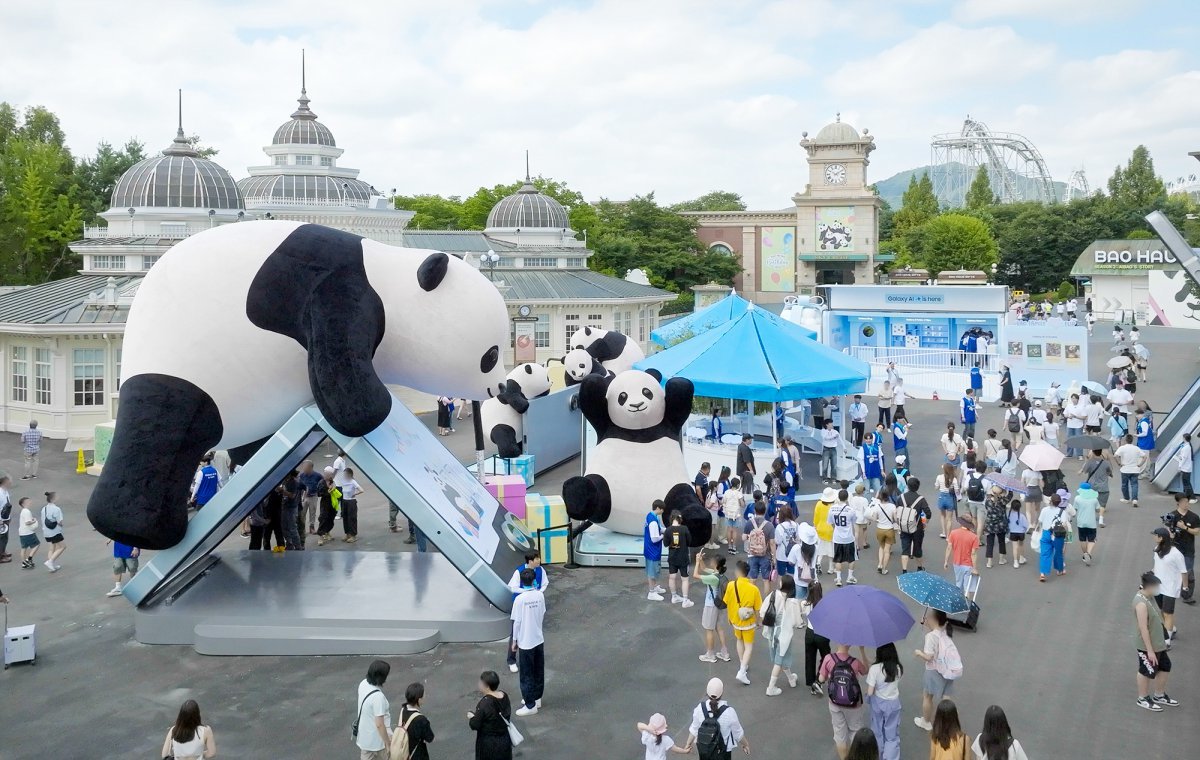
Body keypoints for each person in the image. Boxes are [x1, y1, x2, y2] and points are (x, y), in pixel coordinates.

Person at [1132, 572, 1178, 712]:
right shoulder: (1141, 603)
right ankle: (1143, 698)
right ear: (1149, 586)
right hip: (1148, 645)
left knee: (1165, 666)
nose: (1158, 589)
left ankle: (1159, 695)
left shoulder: (1149, 596)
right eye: (1156, 586)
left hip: (1158, 643)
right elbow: (1143, 628)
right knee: (1146, 670)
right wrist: (1149, 651)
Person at [818, 641, 868, 760]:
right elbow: (865, 671)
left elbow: (821, 679)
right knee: (855, 732)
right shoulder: (854, 662)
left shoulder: (829, 658)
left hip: (835, 703)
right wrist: (862, 650)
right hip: (854, 704)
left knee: (840, 735)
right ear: (850, 645)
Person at [913, 610, 958, 731]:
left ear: (934, 619)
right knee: (946, 697)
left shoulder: (931, 636)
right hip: (948, 669)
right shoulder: (945, 631)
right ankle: (950, 723)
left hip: (934, 670)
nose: (926, 618)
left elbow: (929, 657)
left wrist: (919, 653)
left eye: (928, 617)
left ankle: (926, 721)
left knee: (927, 696)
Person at [511, 568, 547, 715]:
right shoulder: (540, 595)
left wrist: (514, 640)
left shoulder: (520, 600)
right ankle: (537, 698)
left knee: (526, 674)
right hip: (538, 638)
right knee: (538, 670)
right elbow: (542, 613)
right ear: (534, 581)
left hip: (525, 642)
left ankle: (530, 704)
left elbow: (517, 623)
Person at [506, 551, 548, 671]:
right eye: (537, 559)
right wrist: (527, 592)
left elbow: (545, 583)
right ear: (530, 561)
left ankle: (532, 657)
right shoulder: (519, 571)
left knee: (534, 630)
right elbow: (513, 587)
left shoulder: (541, 570)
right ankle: (511, 660)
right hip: (521, 604)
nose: (539, 560)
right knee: (516, 631)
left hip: (534, 602)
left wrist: (539, 592)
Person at [687, 677, 749, 758]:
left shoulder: (699, 708)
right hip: (722, 752)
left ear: (707, 691)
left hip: (704, 751)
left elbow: (694, 729)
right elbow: (738, 733)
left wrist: (688, 744)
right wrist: (745, 744)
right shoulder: (729, 712)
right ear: (722, 692)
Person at [723, 560, 763, 686]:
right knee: (749, 646)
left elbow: (727, 602)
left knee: (739, 641)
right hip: (749, 622)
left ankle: (742, 664)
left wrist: (729, 617)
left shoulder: (731, 585)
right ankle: (741, 671)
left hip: (735, 620)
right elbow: (757, 609)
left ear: (738, 572)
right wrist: (759, 622)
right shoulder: (754, 589)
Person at [763, 574, 804, 696]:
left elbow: (763, 611)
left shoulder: (774, 595)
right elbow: (798, 622)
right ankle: (771, 687)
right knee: (779, 660)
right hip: (784, 634)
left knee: (781, 656)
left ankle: (791, 678)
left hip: (772, 631)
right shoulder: (793, 602)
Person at [1151, 527, 1189, 644]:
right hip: (1158, 586)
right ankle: (1172, 628)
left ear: (1161, 538)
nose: (1154, 537)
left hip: (1170, 588)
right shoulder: (1157, 549)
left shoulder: (1176, 554)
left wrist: (1185, 587)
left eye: (1155, 535)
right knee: (1163, 610)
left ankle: (1166, 640)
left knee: (1168, 613)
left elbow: (1184, 571)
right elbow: (1156, 565)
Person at [865, 642, 902, 760]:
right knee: (891, 735)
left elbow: (870, 692)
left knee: (877, 731)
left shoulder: (875, 669)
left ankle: (878, 755)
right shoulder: (898, 668)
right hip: (894, 703)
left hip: (878, 703)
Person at [468, 670, 514, 760]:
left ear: (487, 686)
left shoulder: (485, 703)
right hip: (504, 739)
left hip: (489, 743)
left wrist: (472, 717)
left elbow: (475, 724)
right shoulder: (504, 695)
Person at [698, 554, 732, 663]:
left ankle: (710, 654)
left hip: (710, 605)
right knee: (719, 627)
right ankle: (724, 652)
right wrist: (700, 560)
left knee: (709, 629)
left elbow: (695, 574)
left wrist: (696, 561)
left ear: (716, 564)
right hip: (719, 605)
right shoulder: (719, 575)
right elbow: (703, 568)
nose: (711, 562)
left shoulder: (713, 577)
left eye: (712, 560)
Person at [355, 660, 392, 759]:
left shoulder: (363, 684)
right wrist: (387, 743)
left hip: (365, 739)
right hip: (379, 742)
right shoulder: (377, 697)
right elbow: (379, 724)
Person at [1166, 494, 1199, 605]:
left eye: (1187, 502)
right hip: (1175, 548)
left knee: (1188, 571)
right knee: (1173, 571)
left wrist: (1185, 527)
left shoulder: (1194, 517)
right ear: (1178, 503)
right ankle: (1172, 590)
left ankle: (1187, 596)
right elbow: (1168, 531)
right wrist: (1171, 532)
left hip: (1188, 549)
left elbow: (1197, 532)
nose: (1187, 504)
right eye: (1184, 502)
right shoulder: (1172, 515)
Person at [1037, 493, 1075, 581]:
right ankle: (1059, 570)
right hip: (1058, 533)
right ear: (1059, 502)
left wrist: (1038, 531)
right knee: (1059, 552)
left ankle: (1043, 573)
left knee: (1045, 553)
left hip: (1046, 533)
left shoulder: (1044, 510)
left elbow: (1040, 522)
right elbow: (1065, 524)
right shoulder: (1063, 512)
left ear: (1050, 501)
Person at [802, 581, 831, 696]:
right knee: (826, 657)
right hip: (822, 634)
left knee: (809, 658)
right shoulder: (825, 604)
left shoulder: (804, 603)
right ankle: (819, 679)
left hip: (809, 633)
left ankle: (811, 682)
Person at [896, 477, 930, 574]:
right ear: (917, 487)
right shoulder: (921, 499)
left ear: (907, 486)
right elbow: (928, 513)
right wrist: (925, 523)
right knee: (917, 548)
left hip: (904, 525)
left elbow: (897, 509)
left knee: (905, 548)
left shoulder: (901, 497)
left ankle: (904, 570)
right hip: (917, 527)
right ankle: (919, 568)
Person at [743, 501, 775, 597]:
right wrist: (774, 557)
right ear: (765, 511)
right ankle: (766, 601)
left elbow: (743, 538)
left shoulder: (749, 523)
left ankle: (752, 599)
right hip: (765, 554)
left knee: (753, 578)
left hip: (752, 554)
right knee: (766, 579)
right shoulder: (769, 525)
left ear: (754, 511)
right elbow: (772, 543)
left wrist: (750, 537)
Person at [398, 683, 435, 760]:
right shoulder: (421, 719)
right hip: (417, 755)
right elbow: (430, 738)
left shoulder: (403, 710)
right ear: (419, 700)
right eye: (424, 695)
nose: (425, 697)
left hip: (403, 752)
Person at [664, 511, 694, 607]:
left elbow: (665, 544)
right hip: (683, 557)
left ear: (671, 518)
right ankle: (685, 600)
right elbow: (689, 542)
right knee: (685, 579)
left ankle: (674, 596)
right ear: (680, 519)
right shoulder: (684, 529)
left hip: (672, 557)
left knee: (672, 577)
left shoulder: (668, 530)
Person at [829, 489, 858, 587]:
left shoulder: (832, 509)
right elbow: (854, 522)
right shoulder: (850, 510)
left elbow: (831, 523)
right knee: (851, 558)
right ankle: (850, 576)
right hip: (849, 537)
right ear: (847, 498)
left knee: (837, 559)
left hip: (837, 537)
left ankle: (838, 578)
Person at [867, 486, 898, 575]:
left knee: (881, 547)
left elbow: (874, 518)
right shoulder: (892, 506)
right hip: (889, 529)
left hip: (880, 529)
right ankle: (884, 569)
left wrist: (878, 520)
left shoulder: (877, 506)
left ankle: (880, 564)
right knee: (887, 550)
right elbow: (895, 519)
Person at [945, 514, 979, 591]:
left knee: (958, 583)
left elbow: (949, 547)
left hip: (957, 563)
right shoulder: (974, 537)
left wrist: (946, 561)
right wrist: (974, 568)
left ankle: (958, 600)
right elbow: (973, 553)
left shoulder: (953, 533)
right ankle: (967, 602)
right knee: (968, 587)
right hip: (968, 564)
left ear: (961, 523)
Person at [1080, 448, 1112, 527]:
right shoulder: (1106, 463)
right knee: (1102, 505)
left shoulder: (1090, 462)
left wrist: (1086, 459)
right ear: (1101, 453)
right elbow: (1109, 472)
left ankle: (1090, 518)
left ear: (1093, 453)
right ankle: (1101, 520)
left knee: (1091, 503)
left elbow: (1085, 471)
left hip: (1092, 486)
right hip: (1103, 486)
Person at [1115, 434, 1147, 507]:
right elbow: (1144, 456)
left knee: (1124, 485)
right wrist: (1140, 464)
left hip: (1125, 469)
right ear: (1132, 440)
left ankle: (1126, 498)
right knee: (1134, 485)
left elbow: (1115, 456)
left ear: (1125, 440)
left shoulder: (1122, 448)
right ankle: (1135, 499)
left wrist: (1119, 463)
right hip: (1135, 469)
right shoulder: (1136, 448)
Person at [643, 499, 666, 601]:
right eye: (662, 509)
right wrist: (663, 536)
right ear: (657, 508)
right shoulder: (652, 521)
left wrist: (668, 529)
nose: (663, 511)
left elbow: (659, 528)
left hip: (651, 549)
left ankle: (654, 587)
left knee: (654, 570)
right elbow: (654, 538)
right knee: (652, 572)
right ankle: (651, 592)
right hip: (652, 550)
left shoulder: (651, 516)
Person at [982, 485, 1009, 569]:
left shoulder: (988, 501)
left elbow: (986, 509)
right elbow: (1010, 497)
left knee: (990, 543)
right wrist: (1009, 490)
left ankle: (989, 562)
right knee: (1001, 542)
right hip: (1001, 524)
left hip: (990, 524)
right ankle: (1001, 559)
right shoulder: (1003, 501)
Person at [38, 491, 65, 572]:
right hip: (54, 531)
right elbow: (60, 522)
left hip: (46, 531)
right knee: (62, 546)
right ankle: (50, 562)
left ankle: (51, 565)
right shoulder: (56, 509)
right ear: (54, 498)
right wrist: (61, 525)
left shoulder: (44, 508)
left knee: (51, 548)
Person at [1073, 482, 1100, 566]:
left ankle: (1085, 554)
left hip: (1081, 522)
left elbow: (1075, 509)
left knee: (1082, 539)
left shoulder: (1077, 498)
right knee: (1092, 539)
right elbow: (1098, 509)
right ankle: (1088, 553)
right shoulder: (1094, 499)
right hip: (1091, 522)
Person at [296, 460, 323, 535]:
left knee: (312, 512)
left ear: (310, 467)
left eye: (305, 467)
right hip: (304, 497)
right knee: (302, 513)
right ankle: (302, 529)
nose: (303, 468)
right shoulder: (301, 475)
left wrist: (319, 491)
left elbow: (323, 483)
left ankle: (312, 527)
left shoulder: (317, 475)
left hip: (313, 496)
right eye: (303, 467)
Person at [934, 464, 960, 539]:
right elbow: (957, 490)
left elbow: (936, 487)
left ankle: (943, 532)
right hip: (950, 498)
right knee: (949, 519)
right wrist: (958, 497)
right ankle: (948, 536)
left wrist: (938, 486)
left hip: (941, 497)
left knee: (942, 515)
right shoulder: (953, 479)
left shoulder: (939, 477)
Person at [340, 467, 365, 542]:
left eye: (346, 474)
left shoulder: (353, 482)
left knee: (352, 518)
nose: (344, 475)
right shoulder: (343, 481)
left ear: (350, 474)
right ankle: (347, 534)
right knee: (345, 518)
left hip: (351, 502)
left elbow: (362, 490)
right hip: (344, 501)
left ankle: (353, 535)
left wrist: (354, 494)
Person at [722, 479, 744, 554]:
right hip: (736, 514)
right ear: (738, 485)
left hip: (728, 513)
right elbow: (742, 504)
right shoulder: (739, 493)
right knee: (734, 531)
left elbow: (723, 502)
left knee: (729, 530)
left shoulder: (726, 492)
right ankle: (734, 548)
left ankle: (729, 547)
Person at [17, 497, 39, 569]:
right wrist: (34, 521)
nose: (30, 502)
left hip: (22, 532)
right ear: (24, 503)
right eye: (28, 501)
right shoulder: (27, 511)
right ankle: (29, 559)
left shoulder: (23, 511)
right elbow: (27, 522)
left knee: (24, 548)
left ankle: (24, 563)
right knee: (36, 544)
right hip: (28, 532)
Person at [1172, 434, 1195, 502]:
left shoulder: (1186, 447)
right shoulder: (1187, 446)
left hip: (1185, 468)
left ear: (1184, 438)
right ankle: (1187, 496)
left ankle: (1192, 497)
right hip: (1186, 468)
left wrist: (1180, 466)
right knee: (1186, 483)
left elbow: (1184, 458)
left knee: (1186, 483)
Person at [1006, 499, 1029, 568]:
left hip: (1013, 532)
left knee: (1014, 547)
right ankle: (1021, 558)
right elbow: (1026, 525)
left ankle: (1015, 562)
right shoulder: (1021, 516)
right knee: (1021, 545)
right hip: (1021, 532)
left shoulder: (1009, 514)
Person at [0, 475, 11, 564]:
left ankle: (2, 551)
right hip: (1, 519)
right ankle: (0, 557)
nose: (10, 482)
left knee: (5, 537)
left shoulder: (5, 491)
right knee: (1, 538)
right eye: (8, 481)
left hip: (5, 517)